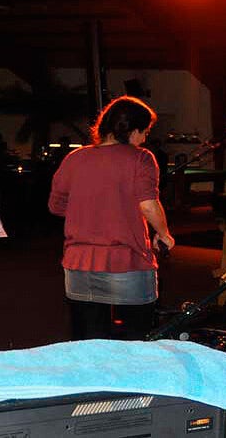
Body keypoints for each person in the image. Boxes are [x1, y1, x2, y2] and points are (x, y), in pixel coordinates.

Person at [48, 96, 174, 341]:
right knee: (136, 339)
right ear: (133, 131)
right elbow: (148, 205)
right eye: (144, 132)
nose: (144, 139)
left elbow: (56, 206)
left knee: (87, 340)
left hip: (79, 263)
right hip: (126, 261)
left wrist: (90, 213)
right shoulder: (141, 158)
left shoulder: (75, 158)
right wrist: (164, 234)